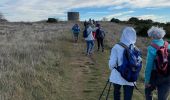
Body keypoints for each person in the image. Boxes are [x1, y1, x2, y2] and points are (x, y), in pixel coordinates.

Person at [109, 27, 137, 100]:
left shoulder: (117, 47)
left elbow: (112, 64)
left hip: (117, 75)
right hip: (131, 76)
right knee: (128, 96)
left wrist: (112, 69)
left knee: (117, 93)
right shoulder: (135, 48)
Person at [145, 26, 170, 100]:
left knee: (148, 92)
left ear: (152, 36)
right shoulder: (168, 45)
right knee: (162, 98)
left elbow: (149, 66)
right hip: (168, 75)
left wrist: (147, 81)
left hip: (155, 75)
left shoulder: (151, 47)